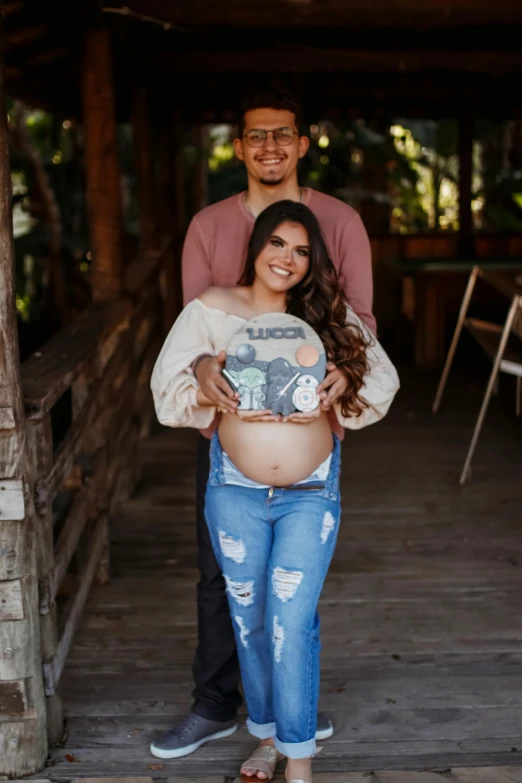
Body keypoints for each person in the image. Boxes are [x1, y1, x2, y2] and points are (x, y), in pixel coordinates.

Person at [150, 88, 377, 761]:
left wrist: (339, 386)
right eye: (256, 135)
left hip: (309, 437)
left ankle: (289, 711)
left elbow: (359, 321)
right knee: (219, 577)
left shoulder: (338, 221)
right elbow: (190, 333)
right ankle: (216, 703)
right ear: (238, 145)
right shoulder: (207, 226)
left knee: (293, 582)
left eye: (283, 134)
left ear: (304, 143)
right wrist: (201, 377)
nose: (270, 147)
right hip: (228, 438)